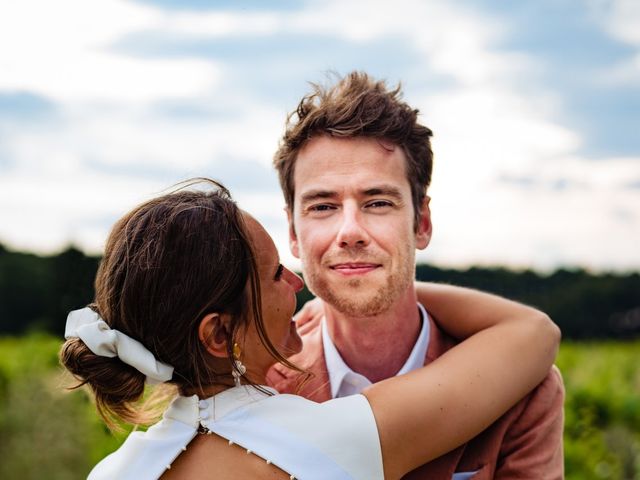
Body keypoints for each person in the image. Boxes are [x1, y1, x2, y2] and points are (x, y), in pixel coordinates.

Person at [60, 180, 560, 480]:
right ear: (218, 336)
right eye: (276, 273)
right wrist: (363, 284)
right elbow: (531, 332)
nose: (299, 282)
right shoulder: (328, 440)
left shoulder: (114, 471)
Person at [268, 72, 565, 478]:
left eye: (377, 202)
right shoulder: (260, 386)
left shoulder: (522, 386)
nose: (350, 232)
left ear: (421, 222)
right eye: (322, 207)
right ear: (293, 234)